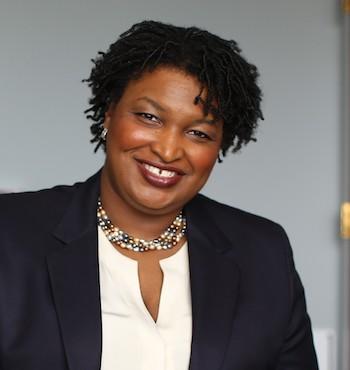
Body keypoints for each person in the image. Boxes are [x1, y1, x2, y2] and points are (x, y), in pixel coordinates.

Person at [0, 20, 318, 370]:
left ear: (220, 146)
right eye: (149, 117)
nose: (168, 151)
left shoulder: (263, 253)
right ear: (109, 113)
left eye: (198, 133)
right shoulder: (10, 235)